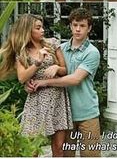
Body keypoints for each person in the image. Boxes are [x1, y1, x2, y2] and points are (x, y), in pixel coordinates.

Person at [0, 14, 72, 157]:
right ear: (28, 31)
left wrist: (57, 68)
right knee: (32, 149)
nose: (43, 30)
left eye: (42, 27)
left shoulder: (52, 43)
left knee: (59, 148)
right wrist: (37, 63)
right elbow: (22, 78)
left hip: (57, 98)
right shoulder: (22, 52)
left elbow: (65, 70)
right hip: (36, 101)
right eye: (38, 28)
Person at [33, 8, 101, 157]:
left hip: (87, 114)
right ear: (70, 26)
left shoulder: (92, 52)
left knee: (91, 155)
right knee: (65, 154)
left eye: (82, 26)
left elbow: (75, 79)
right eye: (75, 24)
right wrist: (30, 83)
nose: (77, 29)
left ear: (89, 28)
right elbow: (39, 68)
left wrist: (45, 82)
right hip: (64, 114)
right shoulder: (60, 49)